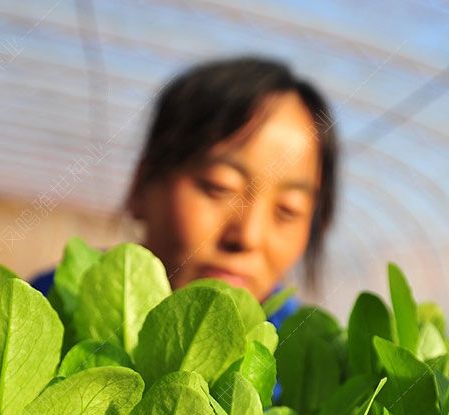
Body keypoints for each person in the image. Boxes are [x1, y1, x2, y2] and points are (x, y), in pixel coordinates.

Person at [32, 56, 337, 330]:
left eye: (289, 209)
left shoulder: (300, 353)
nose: (248, 236)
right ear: (141, 185)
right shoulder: (47, 308)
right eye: (220, 187)